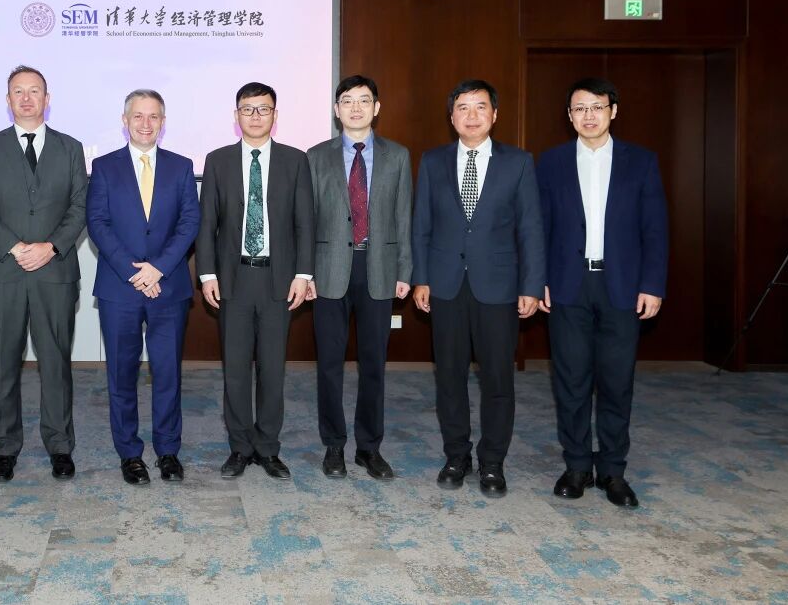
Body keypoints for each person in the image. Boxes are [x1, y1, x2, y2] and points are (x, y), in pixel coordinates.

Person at [538, 78, 667, 508]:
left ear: (613, 111)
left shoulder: (641, 162)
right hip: (568, 285)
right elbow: (540, 227)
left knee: (616, 381)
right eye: (580, 108)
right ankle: (577, 465)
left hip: (622, 286)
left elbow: (655, 228)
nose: (588, 115)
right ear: (569, 115)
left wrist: (652, 284)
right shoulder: (551, 162)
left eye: (597, 107)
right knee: (571, 380)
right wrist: (537, 280)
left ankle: (613, 470)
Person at [412, 79, 544, 497]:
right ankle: (456, 456)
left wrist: (531, 285)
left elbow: (531, 228)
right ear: (451, 117)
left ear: (495, 114)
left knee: (498, 379)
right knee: (449, 377)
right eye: (463, 108)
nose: (472, 116)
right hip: (446, 284)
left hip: (499, 286)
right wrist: (421, 278)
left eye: (480, 107)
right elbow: (421, 225)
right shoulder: (432, 161)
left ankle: (492, 463)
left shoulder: (518, 162)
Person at [0, 66, 88, 483]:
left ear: (46, 98)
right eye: (17, 91)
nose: (26, 98)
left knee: (56, 363)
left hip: (54, 271)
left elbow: (80, 205)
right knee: (3, 363)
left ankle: (60, 446)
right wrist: (15, 246)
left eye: (34, 91)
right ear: (8, 100)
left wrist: (50, 246)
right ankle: (4, 449)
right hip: (3, 271)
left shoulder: (71, 148)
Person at [197, 82, 314, 480]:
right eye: (248, 109)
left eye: (263, 109)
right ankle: (240, 447)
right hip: (234, 278)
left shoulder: (295, 161)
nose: (256, 116)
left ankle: (267, 448)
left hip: (279, 280)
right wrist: (207, 273)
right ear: (236, 116)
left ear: (275, 115)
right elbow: (207, 223)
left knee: (272, 369)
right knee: (235, 369)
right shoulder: (218, 160)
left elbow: (305, 222)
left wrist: (303, 274)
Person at [86, 90, 200, 485]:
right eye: (138, 116)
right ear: (125, 120)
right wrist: (135, 272)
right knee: (122, 375)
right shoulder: (104, 167)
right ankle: (130, 453)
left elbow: (189, 223)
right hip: (120, 288)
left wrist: (158, 269)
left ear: (163, 122)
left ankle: (168, 451)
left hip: (169, 288)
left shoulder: (182, 167)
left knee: (167, 374)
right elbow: (97, 223)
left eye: (153, 116)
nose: (146, 124)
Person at [306, 75, 412, 480]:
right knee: (329, 364)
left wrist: (405, 270)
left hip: (378, 269)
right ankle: (334, 445)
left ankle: (369, 448)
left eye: (364, 100)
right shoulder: (316, 156)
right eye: (347, 101)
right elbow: (306, 220)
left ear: (376, 108)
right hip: (328, 270)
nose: (355, 108)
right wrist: (305, 272)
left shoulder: (397, 155)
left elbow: (404, 216)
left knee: (374, 364)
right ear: (336, 109)